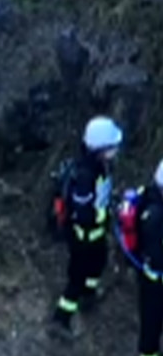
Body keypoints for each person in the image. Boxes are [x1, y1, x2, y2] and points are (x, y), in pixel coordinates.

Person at [51, 116, 122, 338]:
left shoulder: (100, 167)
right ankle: (61, 319)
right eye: (112, 147)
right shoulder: (85, 175)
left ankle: (89, 295)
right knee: (77, 278)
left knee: (98, 263)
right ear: (100, 149)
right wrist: (101, 213)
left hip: (96, 235)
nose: (116, 150)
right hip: (83, 238)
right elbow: (83, 212)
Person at [135, 159, 163, 356]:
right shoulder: (155, 216)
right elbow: (156, 255)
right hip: (154, 281)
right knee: (152, 324)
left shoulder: (151, 197)